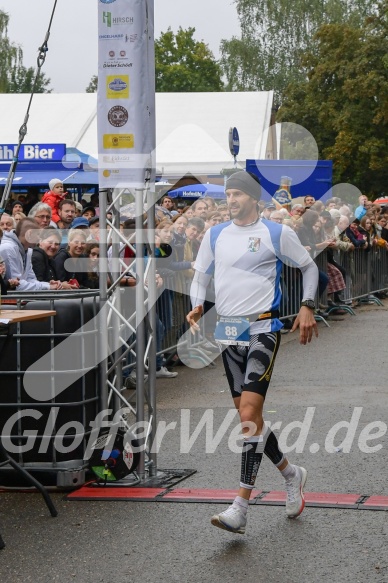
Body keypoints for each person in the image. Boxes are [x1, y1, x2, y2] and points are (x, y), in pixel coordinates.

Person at [186, 170, 318, 534]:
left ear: (253, 198)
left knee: (248, 413)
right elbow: (200, 276)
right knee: (251, 420)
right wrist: (197, 305)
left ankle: (240, 505)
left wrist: (307, 305)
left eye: (237, 194)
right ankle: (292, 474)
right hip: (229, 330)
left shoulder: (276, 233)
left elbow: (309, 267)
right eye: (227, 194)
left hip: (263, 328)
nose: (230, 200)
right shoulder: (214, 234)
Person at [0, 218, 61, 291]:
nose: (39, 238)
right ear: (29, 234)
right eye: (37, 234)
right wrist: (48, 287)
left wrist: (48, 285)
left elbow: (31, 279)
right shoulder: (8, 248)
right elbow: (17, 285)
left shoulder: (28, 250)